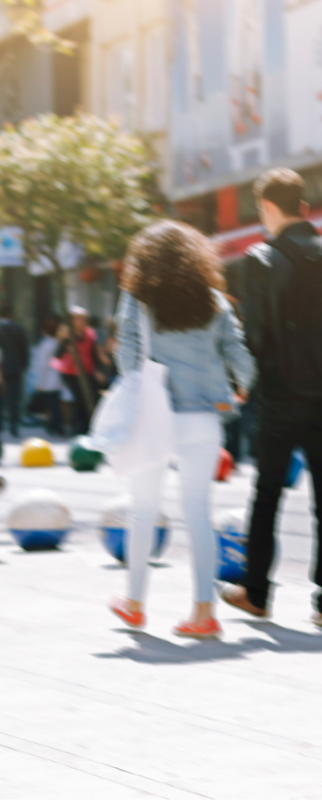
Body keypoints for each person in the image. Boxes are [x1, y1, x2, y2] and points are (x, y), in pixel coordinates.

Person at [111, 220, 254, 638]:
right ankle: (204, 613)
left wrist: (139, 390)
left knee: (142, 509)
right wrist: (241, 389)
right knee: (197, 512)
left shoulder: (136, 300)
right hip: (204, 416)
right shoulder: (214, 301)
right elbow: (238, 353)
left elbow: (126, 355)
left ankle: (134, 604)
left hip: (155, 416)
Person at [223, 168, 322, 625]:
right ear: (303, 207)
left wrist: (244, 388)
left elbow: (254, 338)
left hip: (280, 396)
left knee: (267, 495)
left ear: (266, 208)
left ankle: (257, 592)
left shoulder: (257, 260)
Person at [54, 306, 104, 435]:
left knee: (92, 399)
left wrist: (97, 371)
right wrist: (68, 350)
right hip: (71, 374)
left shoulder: (90, 335)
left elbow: (94, 355)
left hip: (87, 372)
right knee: (80, 400)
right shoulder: (67, 336)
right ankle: (79, 430)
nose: (82, 321)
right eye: (78, 319)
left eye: (83, 319)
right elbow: (57, 355)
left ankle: (90, 429)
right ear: (72, 321)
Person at [0, 305, 29, 437]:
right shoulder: (18, 330)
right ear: (11, 315)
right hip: (15, 369)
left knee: (0, 397)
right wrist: (23, 365)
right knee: (15, 399)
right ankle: (13, 426)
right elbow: (24, 350)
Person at [30, 319, 65, 435]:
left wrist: (40, 382)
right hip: (57, 378)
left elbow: (43, 365)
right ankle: (56, 426)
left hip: (48, 379)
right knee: (55, 405)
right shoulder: (57, 343)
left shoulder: (46, 345)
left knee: (51, 406)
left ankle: (54, 426)